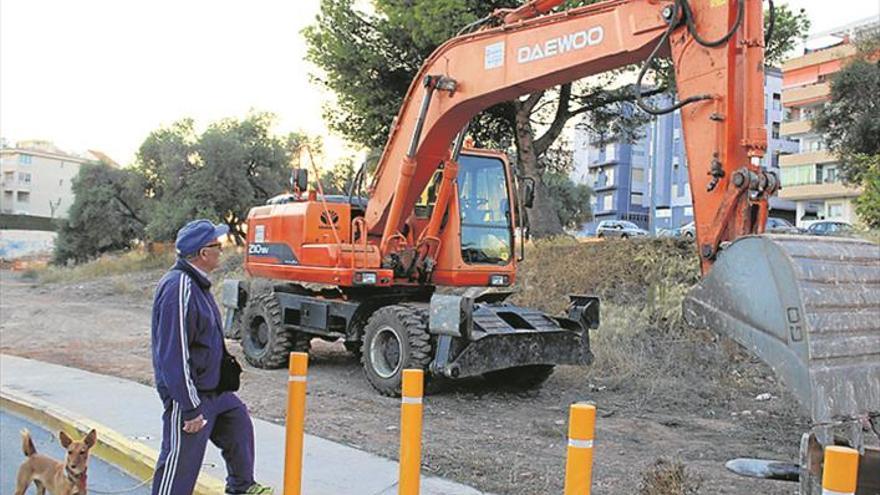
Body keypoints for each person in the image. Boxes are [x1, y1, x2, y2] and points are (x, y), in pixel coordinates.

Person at [150, 219, 272, 495]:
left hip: (214, 392)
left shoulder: (196, 284)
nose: (223, 249)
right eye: (218, 245)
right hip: (191, 397)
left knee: (237, 420)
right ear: (204, 254)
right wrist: (190, 406)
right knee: (179, 472)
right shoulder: (178, 288)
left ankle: (242, 487)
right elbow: (173, 353)